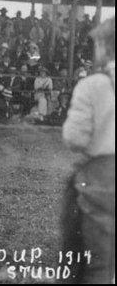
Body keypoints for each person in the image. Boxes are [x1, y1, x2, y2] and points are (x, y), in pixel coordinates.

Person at [61, 17, 115, 284]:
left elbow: (75, 139)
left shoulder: (93, 85)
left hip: (101, 179)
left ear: (105, 47)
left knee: (97, 266)